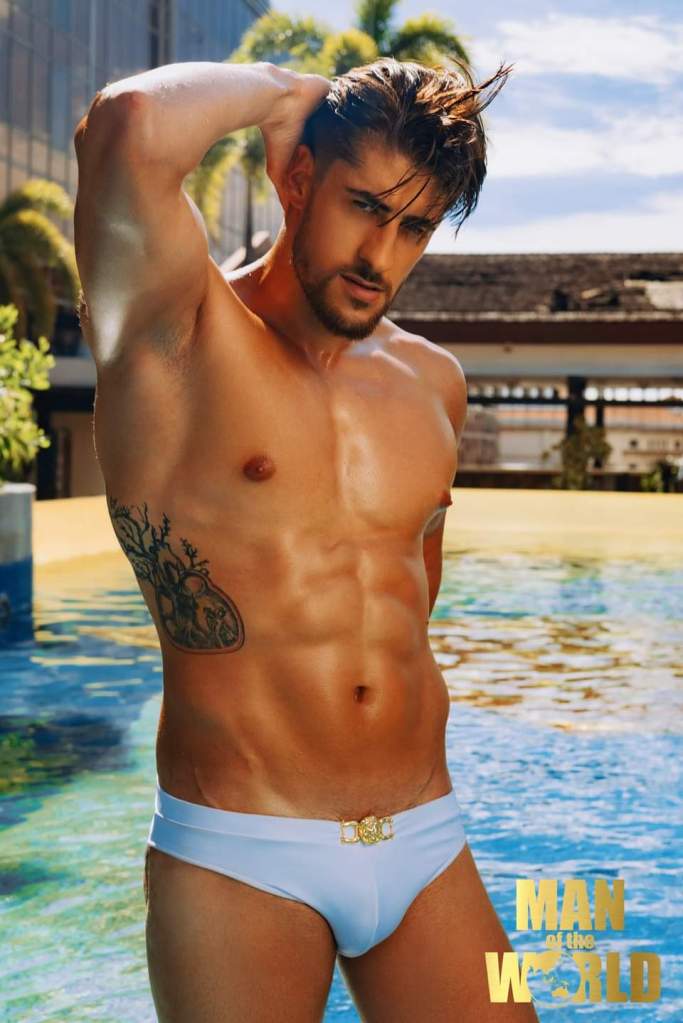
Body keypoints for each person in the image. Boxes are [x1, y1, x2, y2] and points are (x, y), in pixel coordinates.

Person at [73, 55, 537, 1023]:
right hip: (244, 850)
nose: (381, 254)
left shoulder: (433, 383)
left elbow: (408, 602)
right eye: (364, 206)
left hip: (424, 834)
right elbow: (125, 126)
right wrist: (287, 92)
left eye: (414, 226)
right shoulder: (175, 333)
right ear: (296, 178)